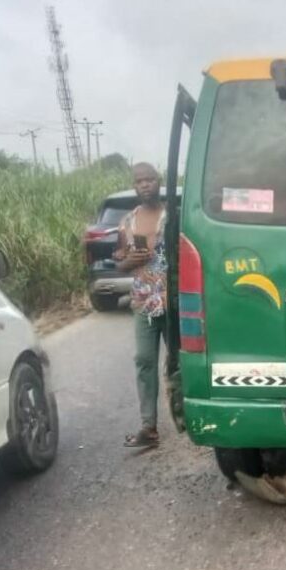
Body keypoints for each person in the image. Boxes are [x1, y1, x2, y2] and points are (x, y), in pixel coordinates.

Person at [115, 162, 168, 449]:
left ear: (158, 181)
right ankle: (149, 426)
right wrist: (129, 262)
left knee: (179, 362)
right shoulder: (128, 223)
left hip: (173, 302)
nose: (145, 184)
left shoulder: (174, 217)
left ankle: (189, 419)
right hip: (143, 303)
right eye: (140, 181)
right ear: (135, 185)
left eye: (149, 179)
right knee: (144, 362)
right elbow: (119, 261)